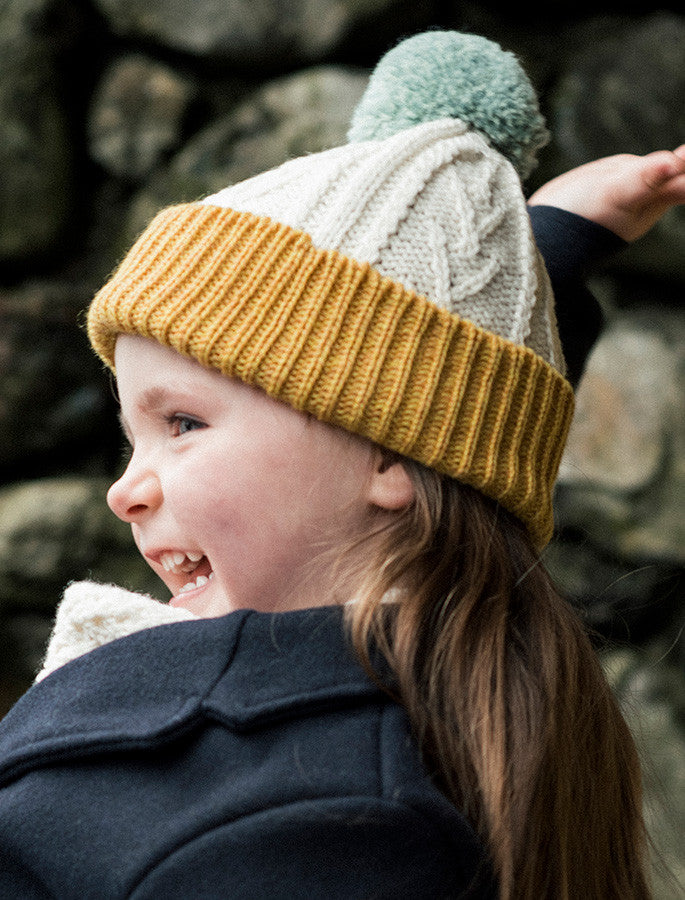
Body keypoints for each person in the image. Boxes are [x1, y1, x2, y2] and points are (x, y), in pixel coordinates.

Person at [0, 30, 683, 900]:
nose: (124, 491)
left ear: (392, 452)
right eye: (136, 436)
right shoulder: (447, 697)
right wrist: (546, 247)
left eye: (182, 421)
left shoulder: (317, 828)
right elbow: (463, 421)